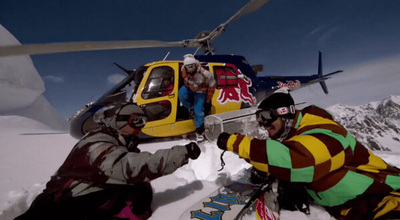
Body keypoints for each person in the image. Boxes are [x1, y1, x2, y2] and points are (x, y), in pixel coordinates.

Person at [216, 88, 400, 219]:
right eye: (259, 120)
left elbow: (299, 161)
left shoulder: (326, 133)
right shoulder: (297, 136)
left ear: (285, 114)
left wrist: (235, 142)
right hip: (356, 209)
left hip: (387, 200)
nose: (263, 125)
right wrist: (268, 170)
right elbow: (289, 158)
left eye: (266, 117)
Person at [15, 103, 201, 220]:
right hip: (58, 205)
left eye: (143, 121)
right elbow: (126, 167)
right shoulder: (96, 142)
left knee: (140, 188)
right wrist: (180, 153)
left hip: (88, 201)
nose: (140, 127)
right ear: (119, 122)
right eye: (136, 121)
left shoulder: (122, 143)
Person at [178, 54, 216, 141]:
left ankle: (199, 131)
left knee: (198, 109)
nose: (190, 68)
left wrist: (208, 99)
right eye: (188, 67)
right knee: (181, 94)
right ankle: (189, 107)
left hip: (200, 91)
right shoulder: (183, 70)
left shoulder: (205, 74)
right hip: (189, 88)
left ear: (195, 65)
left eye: (192, 66)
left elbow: (212, 85)